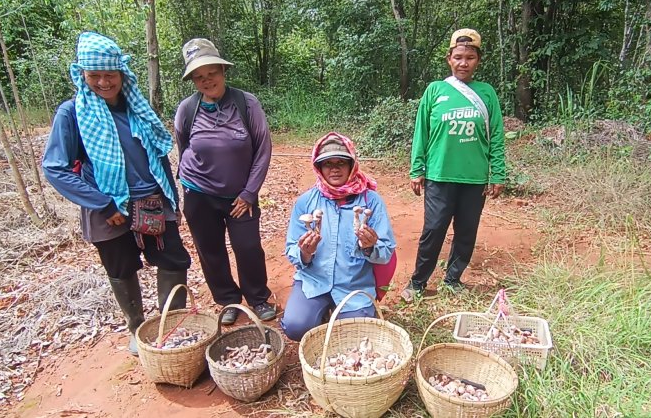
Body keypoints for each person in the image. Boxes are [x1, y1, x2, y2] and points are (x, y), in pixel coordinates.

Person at [42, 32, 191, 355]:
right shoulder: (72, 113)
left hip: (151, 198)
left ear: (122, 74)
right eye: (94, 75)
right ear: (82, 75)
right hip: (107, 206)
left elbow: (158, 155)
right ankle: (137, 328)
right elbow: (55, 167)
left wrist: (172, 200)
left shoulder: (137, 108)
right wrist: (102, 202)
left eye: (110, 75)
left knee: (173, 258)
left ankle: (172, 325)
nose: (103, 82)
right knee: (121, 267)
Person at [175, 38, 275, 324]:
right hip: (198, 193)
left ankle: (257, 297)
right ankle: (228, 300)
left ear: (222, 70)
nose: (207, 80)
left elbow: (263, 149)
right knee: (211, 250)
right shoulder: (187, 109)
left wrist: (249, 193)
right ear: (194, 81)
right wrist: (189, 186)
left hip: (240, 196)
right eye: (199, 77)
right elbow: (183, 148)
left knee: (248, 246)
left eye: (211, 73)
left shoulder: (246, 103)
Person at [401, 28, 506, 302]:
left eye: (470, 57)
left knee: (466, 231)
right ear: (449, 58)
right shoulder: (436, 90)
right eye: (458, 57)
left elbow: (496, 136)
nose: (463, 63)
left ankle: (453, 278)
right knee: (434, 229)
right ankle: (418, 282)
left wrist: (498, 173)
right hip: (439, 175)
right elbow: (421, 132)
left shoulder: (487, 93)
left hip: (474, 179)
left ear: (478, 60)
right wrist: (417, 169)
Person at [281, 133, 396, 341]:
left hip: (353, 286)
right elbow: (291, 249)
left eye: (341, 162)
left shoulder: (372, 202)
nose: (334, 169)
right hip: (314, 281)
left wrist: (370, 246)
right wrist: (305, 252)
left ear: (352, 165)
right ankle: (319, 310)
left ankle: (341, 313)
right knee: (296, 327)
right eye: (327, 163)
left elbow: (386, 252)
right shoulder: (306, 202)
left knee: (354, 338)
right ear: (319, 168)